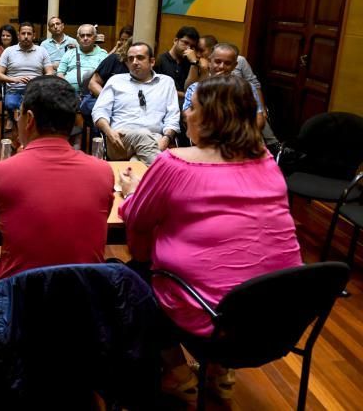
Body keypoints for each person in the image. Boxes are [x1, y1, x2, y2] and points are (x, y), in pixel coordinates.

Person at [118, 74, 302, 401]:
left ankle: (175, 371)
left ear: (210, 119)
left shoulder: (174, 163)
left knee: (128, 276)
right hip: (280, 320)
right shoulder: (266, 162)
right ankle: (218, 368)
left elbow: (138, 219)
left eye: (193, 107)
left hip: (216, 324)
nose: (185, 112)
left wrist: (131, 193)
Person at [0, 76, 115, 281]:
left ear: (30, 119)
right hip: (85, 301)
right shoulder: (103, 171)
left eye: (19, 114)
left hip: (20, 302)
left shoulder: (0, 172)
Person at [92, 42, 180, 165]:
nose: (134, 62)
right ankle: (169, 177)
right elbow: (99, 111)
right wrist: (109, 132)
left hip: (155, 139)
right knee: (142, 135)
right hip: (119, 140)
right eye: (130, 59)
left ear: (152, 62)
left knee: (138, 163)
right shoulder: (115, 81)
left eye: (140, 58)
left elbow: (173, 116)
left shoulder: (166, 83)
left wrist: (166, 139)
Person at [183, 43, 265, 129]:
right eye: (217, 62)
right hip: (207, 137)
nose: (222, 66)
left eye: (228, 63)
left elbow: (259, 121)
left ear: (234, 66)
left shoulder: (247, 88)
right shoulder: (195, 88)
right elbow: (188, 118)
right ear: (210, 62)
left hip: (239, 139)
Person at [0, 22, 55, 129]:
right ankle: (19, 128)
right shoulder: (9, 51)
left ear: (34, 35)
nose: (26, 36)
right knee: (11, 104)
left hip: (36, 90)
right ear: (18, 35)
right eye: (23, 33)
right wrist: (14, 79)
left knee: (41, 107)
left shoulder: (42, 51)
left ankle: (29, 129)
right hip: (14, 90)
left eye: (29, 34)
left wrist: (37, 80)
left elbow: (50, 72)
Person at [56, 24, 109, 95]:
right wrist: (67, 89)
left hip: (93, 95)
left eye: (89, 35)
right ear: (78, 38)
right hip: (69, 94)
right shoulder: (69, 53)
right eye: (82, 35)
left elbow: (107, 77)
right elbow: (60, 73)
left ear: (95, 37)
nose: (85, 38)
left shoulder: (103, 54)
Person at [155, 25, 200, 98]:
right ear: (175, 41)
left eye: (192, 46)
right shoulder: (160, 60)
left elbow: (190, 90)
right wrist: (183, 95)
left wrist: (193, 63)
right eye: (185, 43)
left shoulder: (191, 64)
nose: (188, 48)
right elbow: (157, 89)